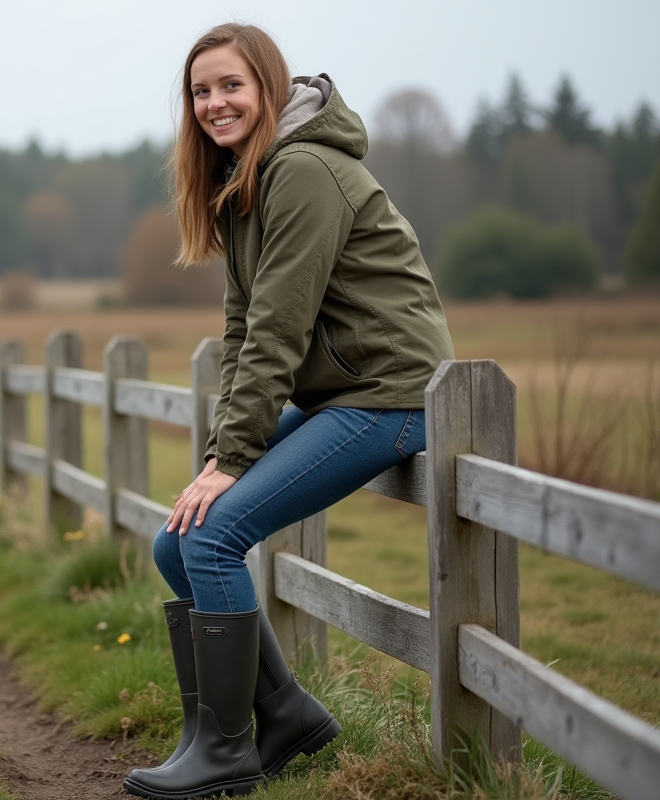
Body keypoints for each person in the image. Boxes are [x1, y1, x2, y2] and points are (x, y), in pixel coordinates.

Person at [122, 22, 455, 800]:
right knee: (179, 544)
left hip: (392, 391)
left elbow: (280, 323)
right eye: (200, 91)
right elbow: (241, 329)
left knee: (212, 542)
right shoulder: (245, 177)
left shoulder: (302, 170)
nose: (214, 102)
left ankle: (227, 750)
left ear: (269, 87)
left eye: (230, 85)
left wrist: (233, 461)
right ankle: (284, 717)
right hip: (342, 391)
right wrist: (217, 456)